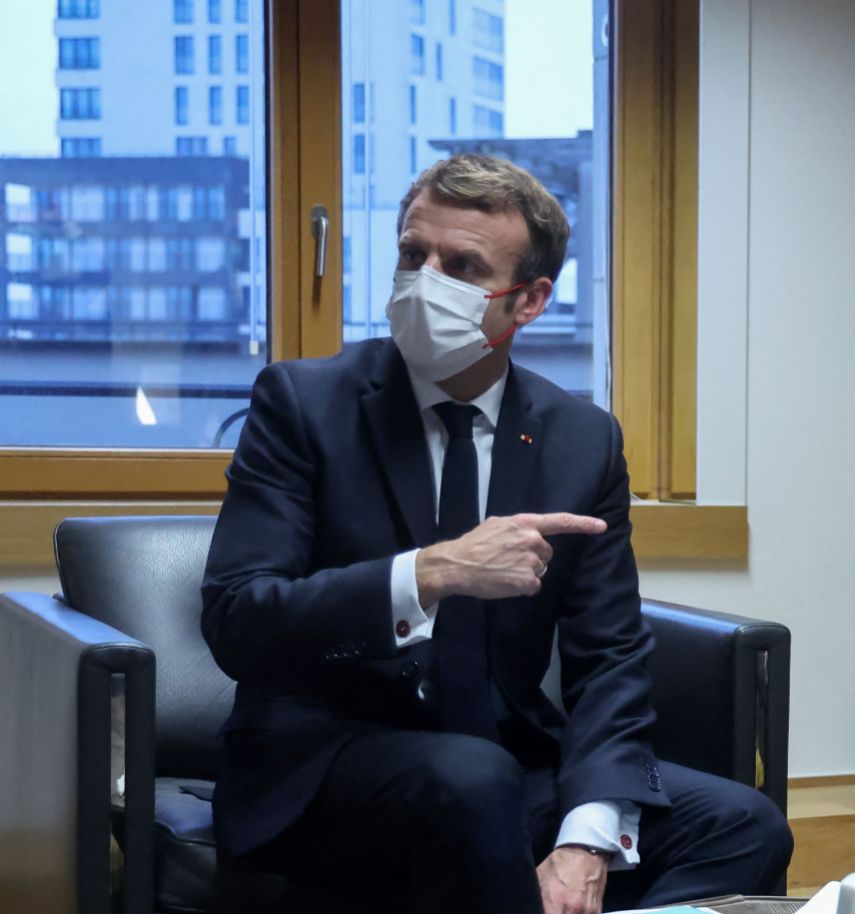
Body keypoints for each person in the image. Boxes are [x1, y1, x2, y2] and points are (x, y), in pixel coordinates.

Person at [201, 153, 791, 914]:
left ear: (530, 300)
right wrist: (428, 573)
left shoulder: (582, 440)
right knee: (472, 779)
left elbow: (609, 657)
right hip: (327, 770)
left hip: (506, 768)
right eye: (414, 255)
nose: (424, 281)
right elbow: (237, 618)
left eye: (462, 265)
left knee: (743, 826)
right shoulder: (305, 405)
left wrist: (586, 837)